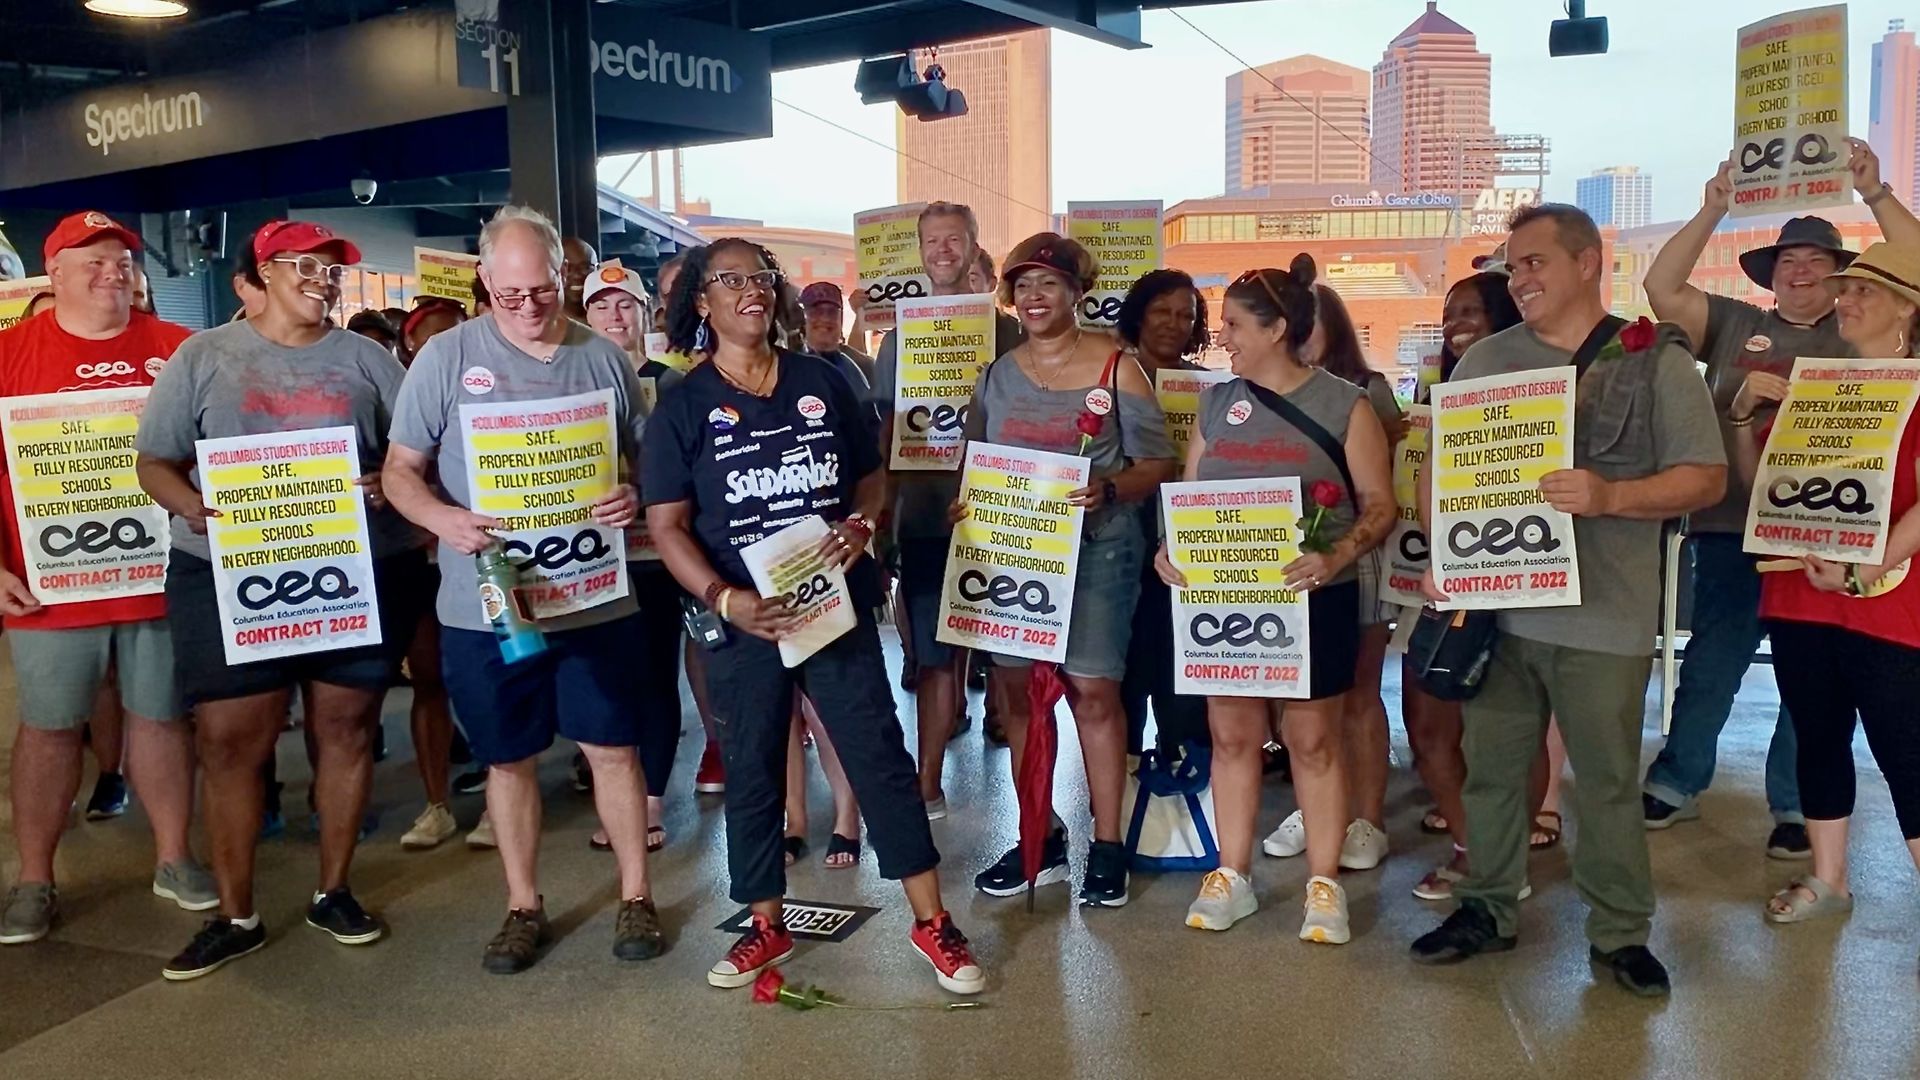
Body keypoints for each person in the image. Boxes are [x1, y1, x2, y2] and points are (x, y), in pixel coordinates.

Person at [643, 237, 984, 994]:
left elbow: (871, 478)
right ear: (703, 302)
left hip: (831, 607)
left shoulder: (824, 381)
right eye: (728, 281)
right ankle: (766, 927)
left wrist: (863, 525)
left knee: (877, 756)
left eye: (759, 277)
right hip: (746, 617)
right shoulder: (683, 406)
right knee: (756, 767)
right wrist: (724, 598)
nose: (749, 291)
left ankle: (931, 923)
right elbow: (666, 525)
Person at [1409, 204, 1727, 998]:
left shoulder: (1653, 359)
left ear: (1589, 262)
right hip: (1496, 610)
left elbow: (1706, 477)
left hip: (1606, 615)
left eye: (1534, 262)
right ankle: (1487, 906)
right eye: (1512, 267)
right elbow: (1438, 472)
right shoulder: (1485, 360)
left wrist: (1609, 495)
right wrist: (1445, 549)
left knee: (1609, 779)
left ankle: (1619, 934)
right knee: (1492, 770)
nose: (1518, 279)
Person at [134, 219, 428, 979]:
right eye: (303, 265)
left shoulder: (368, 358)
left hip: (355, 566)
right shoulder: (202, 357)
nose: (322, 280)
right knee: (231, 741)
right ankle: (236, 915)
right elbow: (155, 462)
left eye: (332, 270)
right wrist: (192, 506)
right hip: (227, 570)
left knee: (348, 727)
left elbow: (413, 457)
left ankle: (334, 890)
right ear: (255, 277)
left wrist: (385, 484)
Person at [384, 206, 665, 975]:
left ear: (562, 278)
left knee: (612, 747)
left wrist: (630, 493)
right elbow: (400, 471)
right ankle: (521, 903)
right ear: (484, 281)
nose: (529, 307)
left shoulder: (602, 359)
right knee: (508, 758)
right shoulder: (444, 359)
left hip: (591, 592)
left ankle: (635, 894)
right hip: (489, 603)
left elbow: (642, 462)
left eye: (542, 290)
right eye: (510, 295)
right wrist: (444, 517)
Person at [1637, 139, 1920, 854]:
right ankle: (1677, 779)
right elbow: (1662, 289)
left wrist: (1877, 196)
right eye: (1787, 260)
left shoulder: (1859, 332)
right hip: (1733, 522)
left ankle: (1796, 807)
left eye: (1821, 264)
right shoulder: (1737, 323)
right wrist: (1712, 207)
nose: (1801, 270)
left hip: (1834, 531)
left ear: (1844, 281)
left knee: (1815, 679)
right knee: (1715, 658)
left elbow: (1916, 270)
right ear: (1770, 276)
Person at [1157, 257, 1395, 941]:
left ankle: (1324, 885)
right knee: (1231, 737)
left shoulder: (1345, 404)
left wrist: (1336, 556)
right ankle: (1233, 875)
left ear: (1278, 328)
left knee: (1312, 739)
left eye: (1233, 323)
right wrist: (1169, 549)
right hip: (1222, 598)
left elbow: (1380, 506)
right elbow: (1189, 497)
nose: (1222, 335)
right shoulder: (1213, 403)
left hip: (1312, 597)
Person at [0, 212, 214, 946]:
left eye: (121, 257)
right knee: (50, 727)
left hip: (163, 576)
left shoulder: (181, 349)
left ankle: (175, 857)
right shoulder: (8, 355)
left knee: (161, 718)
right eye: (90, 259)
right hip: (47, 587)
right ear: (51, 273)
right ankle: (35, 877)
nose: (111, 270)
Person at [960, 232, 1177, 907]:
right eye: (1022, 285)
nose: (1033, 296)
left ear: (1077, 294)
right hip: (1015, 554)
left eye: (1048, 284)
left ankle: (1106, 842)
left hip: (1099, 553)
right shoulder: (999, 374)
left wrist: (1109, 488)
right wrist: (964, 506)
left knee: (1092, 692)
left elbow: (1157, 464)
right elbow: (977, 456)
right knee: (1018, 690)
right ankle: (1040, 834)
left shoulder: (1119, 369)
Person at [1724, 240, 1920, 929]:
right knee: (1818, 736)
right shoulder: (1818, 386)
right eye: (1847, 290)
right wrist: (1745, 416)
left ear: (1908, 309)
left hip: (1892, 602)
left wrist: (1870, 565)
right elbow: (1763, 494)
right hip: (1801, 592)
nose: (1846, 300)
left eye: (1864, 291)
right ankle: (1829, 875)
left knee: (1906, 749)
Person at [873, 202, 1024, 817]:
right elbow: (885, 432)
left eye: (954, 239)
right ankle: (928, 780)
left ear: (972, 245)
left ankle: (1032, 806)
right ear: (921, 250)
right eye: (932, 241)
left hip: (1006, 517)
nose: (943, 250)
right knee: (934, 655)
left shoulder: (1011, 333)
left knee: (1012, 660)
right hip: (928, 516)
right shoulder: (899, 339)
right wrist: (882, 515)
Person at [1262, 284, 1402, 875]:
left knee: (1358, 692)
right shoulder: (1258, 395)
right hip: (1286, 570)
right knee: (1299, 698)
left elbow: (1381, 486)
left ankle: (1366, 816)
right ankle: (1315, 806)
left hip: (1354, 562)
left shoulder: (1365, 394)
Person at [1407, 270, 1522, 902]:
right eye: (1450, 310)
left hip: (1525, 586)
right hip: (1448, 582)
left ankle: (1501, 862)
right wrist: (1446, 559)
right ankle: (1471, 845)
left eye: (1473, 309)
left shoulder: (1539, 392)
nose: (1457, 321)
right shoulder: (1444, 392)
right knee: (1428, 720)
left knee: (1509, 732)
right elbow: (1429, 483)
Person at [583, 260, 683, 850]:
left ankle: (649, 801)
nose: (614, 316)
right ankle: (613, 792)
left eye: (625, 306)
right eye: (601, 305)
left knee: (653, 677)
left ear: (645, 315)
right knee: (603, 679)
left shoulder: (671, 381)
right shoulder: (570, 380)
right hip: (587, 556)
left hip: (651, 556)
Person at [1115, 269, 1212, 757]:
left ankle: (1184, 771)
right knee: (1125, 671)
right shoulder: (1108, 377)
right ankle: (1124, 779)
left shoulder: (1211, 391)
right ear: (1139, 314)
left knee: (1183, 671)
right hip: (1119, 543)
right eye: (1162, 312)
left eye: (1185, 315)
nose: (1174, 324)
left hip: (1187, 550)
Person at [392, 298, 468, 850]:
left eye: (456, 333)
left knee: (493, 680)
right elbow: (395, 469)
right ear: (412, 347)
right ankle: (436, 801)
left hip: (478, 560)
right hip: (421, 557)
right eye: (432, 337)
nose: (446, 345)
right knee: (431, 678)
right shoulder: (404, 399)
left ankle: (499, 785)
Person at [800, 282, 877, 391]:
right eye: (816, 311)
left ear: (841, 318)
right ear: (803, 317)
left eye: (832, 312)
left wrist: (862, 311)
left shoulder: (864, 366)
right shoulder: (786, 366)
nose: (825, 318)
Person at [562, 236, 598, 321]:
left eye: (585, 267)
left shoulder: (610, 320)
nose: (577, 275)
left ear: (598, 270)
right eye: (568, 268)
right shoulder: (541, 323)